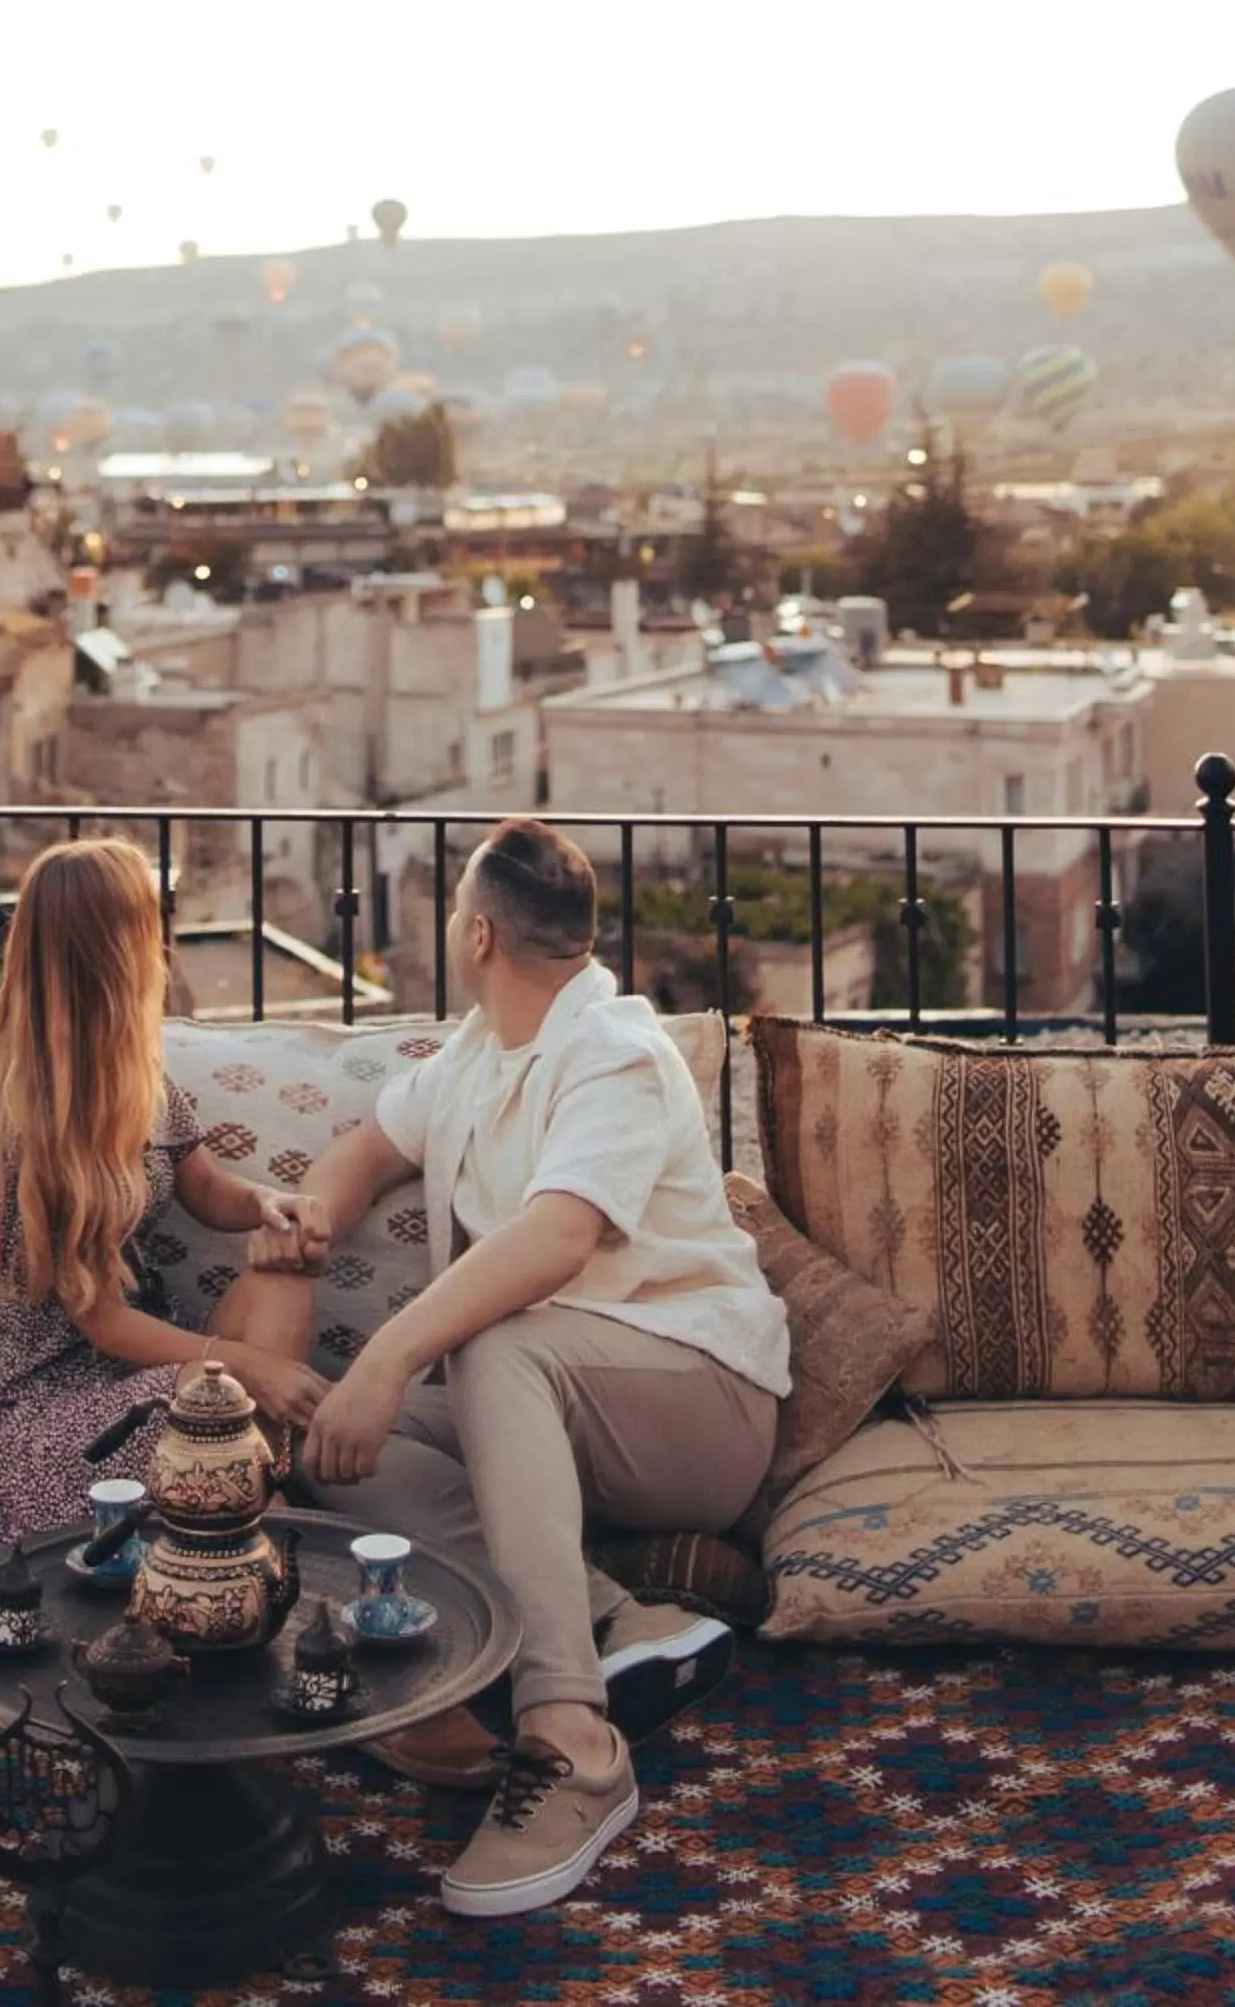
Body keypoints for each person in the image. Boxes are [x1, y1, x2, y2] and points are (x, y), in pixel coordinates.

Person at [249, 817, 789, 1919]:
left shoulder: (616, 1054)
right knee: (329, 1441)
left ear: (478, 933)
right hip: (564, 1411)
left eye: (455, 914)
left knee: (497, 1340)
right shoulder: (479, 1050)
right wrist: (313, 1219)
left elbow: (555, 1242)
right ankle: (612, 1617)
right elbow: (370, 1147)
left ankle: (572, 1740)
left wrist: (393, 1355)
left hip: (702, 1407)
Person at [0, 838, 333, 1721]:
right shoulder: (22, 1108)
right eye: (150, 929)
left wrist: (274, 1206)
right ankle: (263, 1573)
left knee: (281, 1282)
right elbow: (101, 1325)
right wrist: (254, 1371)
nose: (164, 948)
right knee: (214, 1408)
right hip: (41, 1400)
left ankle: (241, 1547)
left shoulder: (136, 1070)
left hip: (132, 1366)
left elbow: (204, 1187)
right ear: (117, 948)